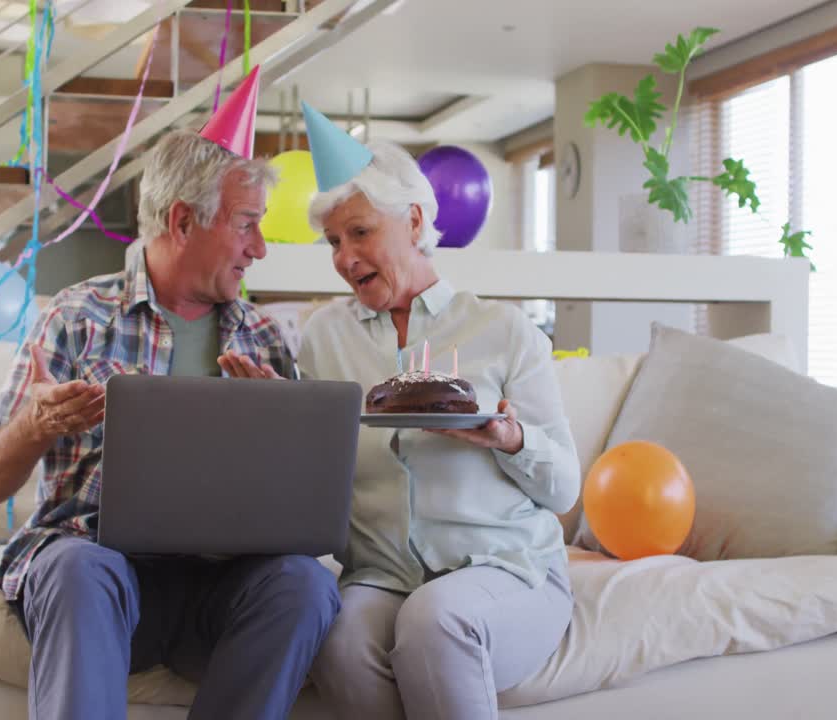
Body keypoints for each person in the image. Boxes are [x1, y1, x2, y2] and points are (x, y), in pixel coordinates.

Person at [0, 72, 340, 720]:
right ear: (183, 220)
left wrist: (286, 436)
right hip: (97, 577)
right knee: (80, 568)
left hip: (220, 588)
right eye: (247, 225)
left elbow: (304, 512)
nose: (260, 249)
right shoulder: (80, 316)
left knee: (304, 584)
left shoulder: (265, 339)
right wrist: (36, 424)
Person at [230, 102, 580, 720]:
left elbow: (563, 490)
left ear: (414, 221)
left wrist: (509, 438)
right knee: (336, 638)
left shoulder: (503, 329)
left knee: (434, 618)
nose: (343, 257)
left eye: (360, 233)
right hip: (383, 574)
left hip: (505, 568)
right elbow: (311, 480)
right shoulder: (323, 337)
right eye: (334, 241)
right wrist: (274, 418)